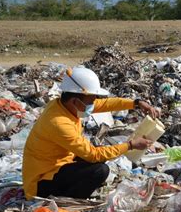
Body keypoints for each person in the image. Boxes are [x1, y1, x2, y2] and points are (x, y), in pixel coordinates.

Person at [22, 66, 160, 200]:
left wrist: (136, 103)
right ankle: (67, 201)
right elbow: (93, 155)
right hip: (40, 183)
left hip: (59, 165)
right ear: (75, 101)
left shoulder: (62, 105)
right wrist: (130, 145)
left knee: (102, 154)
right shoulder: (58, 123)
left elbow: (104, 104)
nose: (93, 105)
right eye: (91, 101)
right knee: (100, 170)